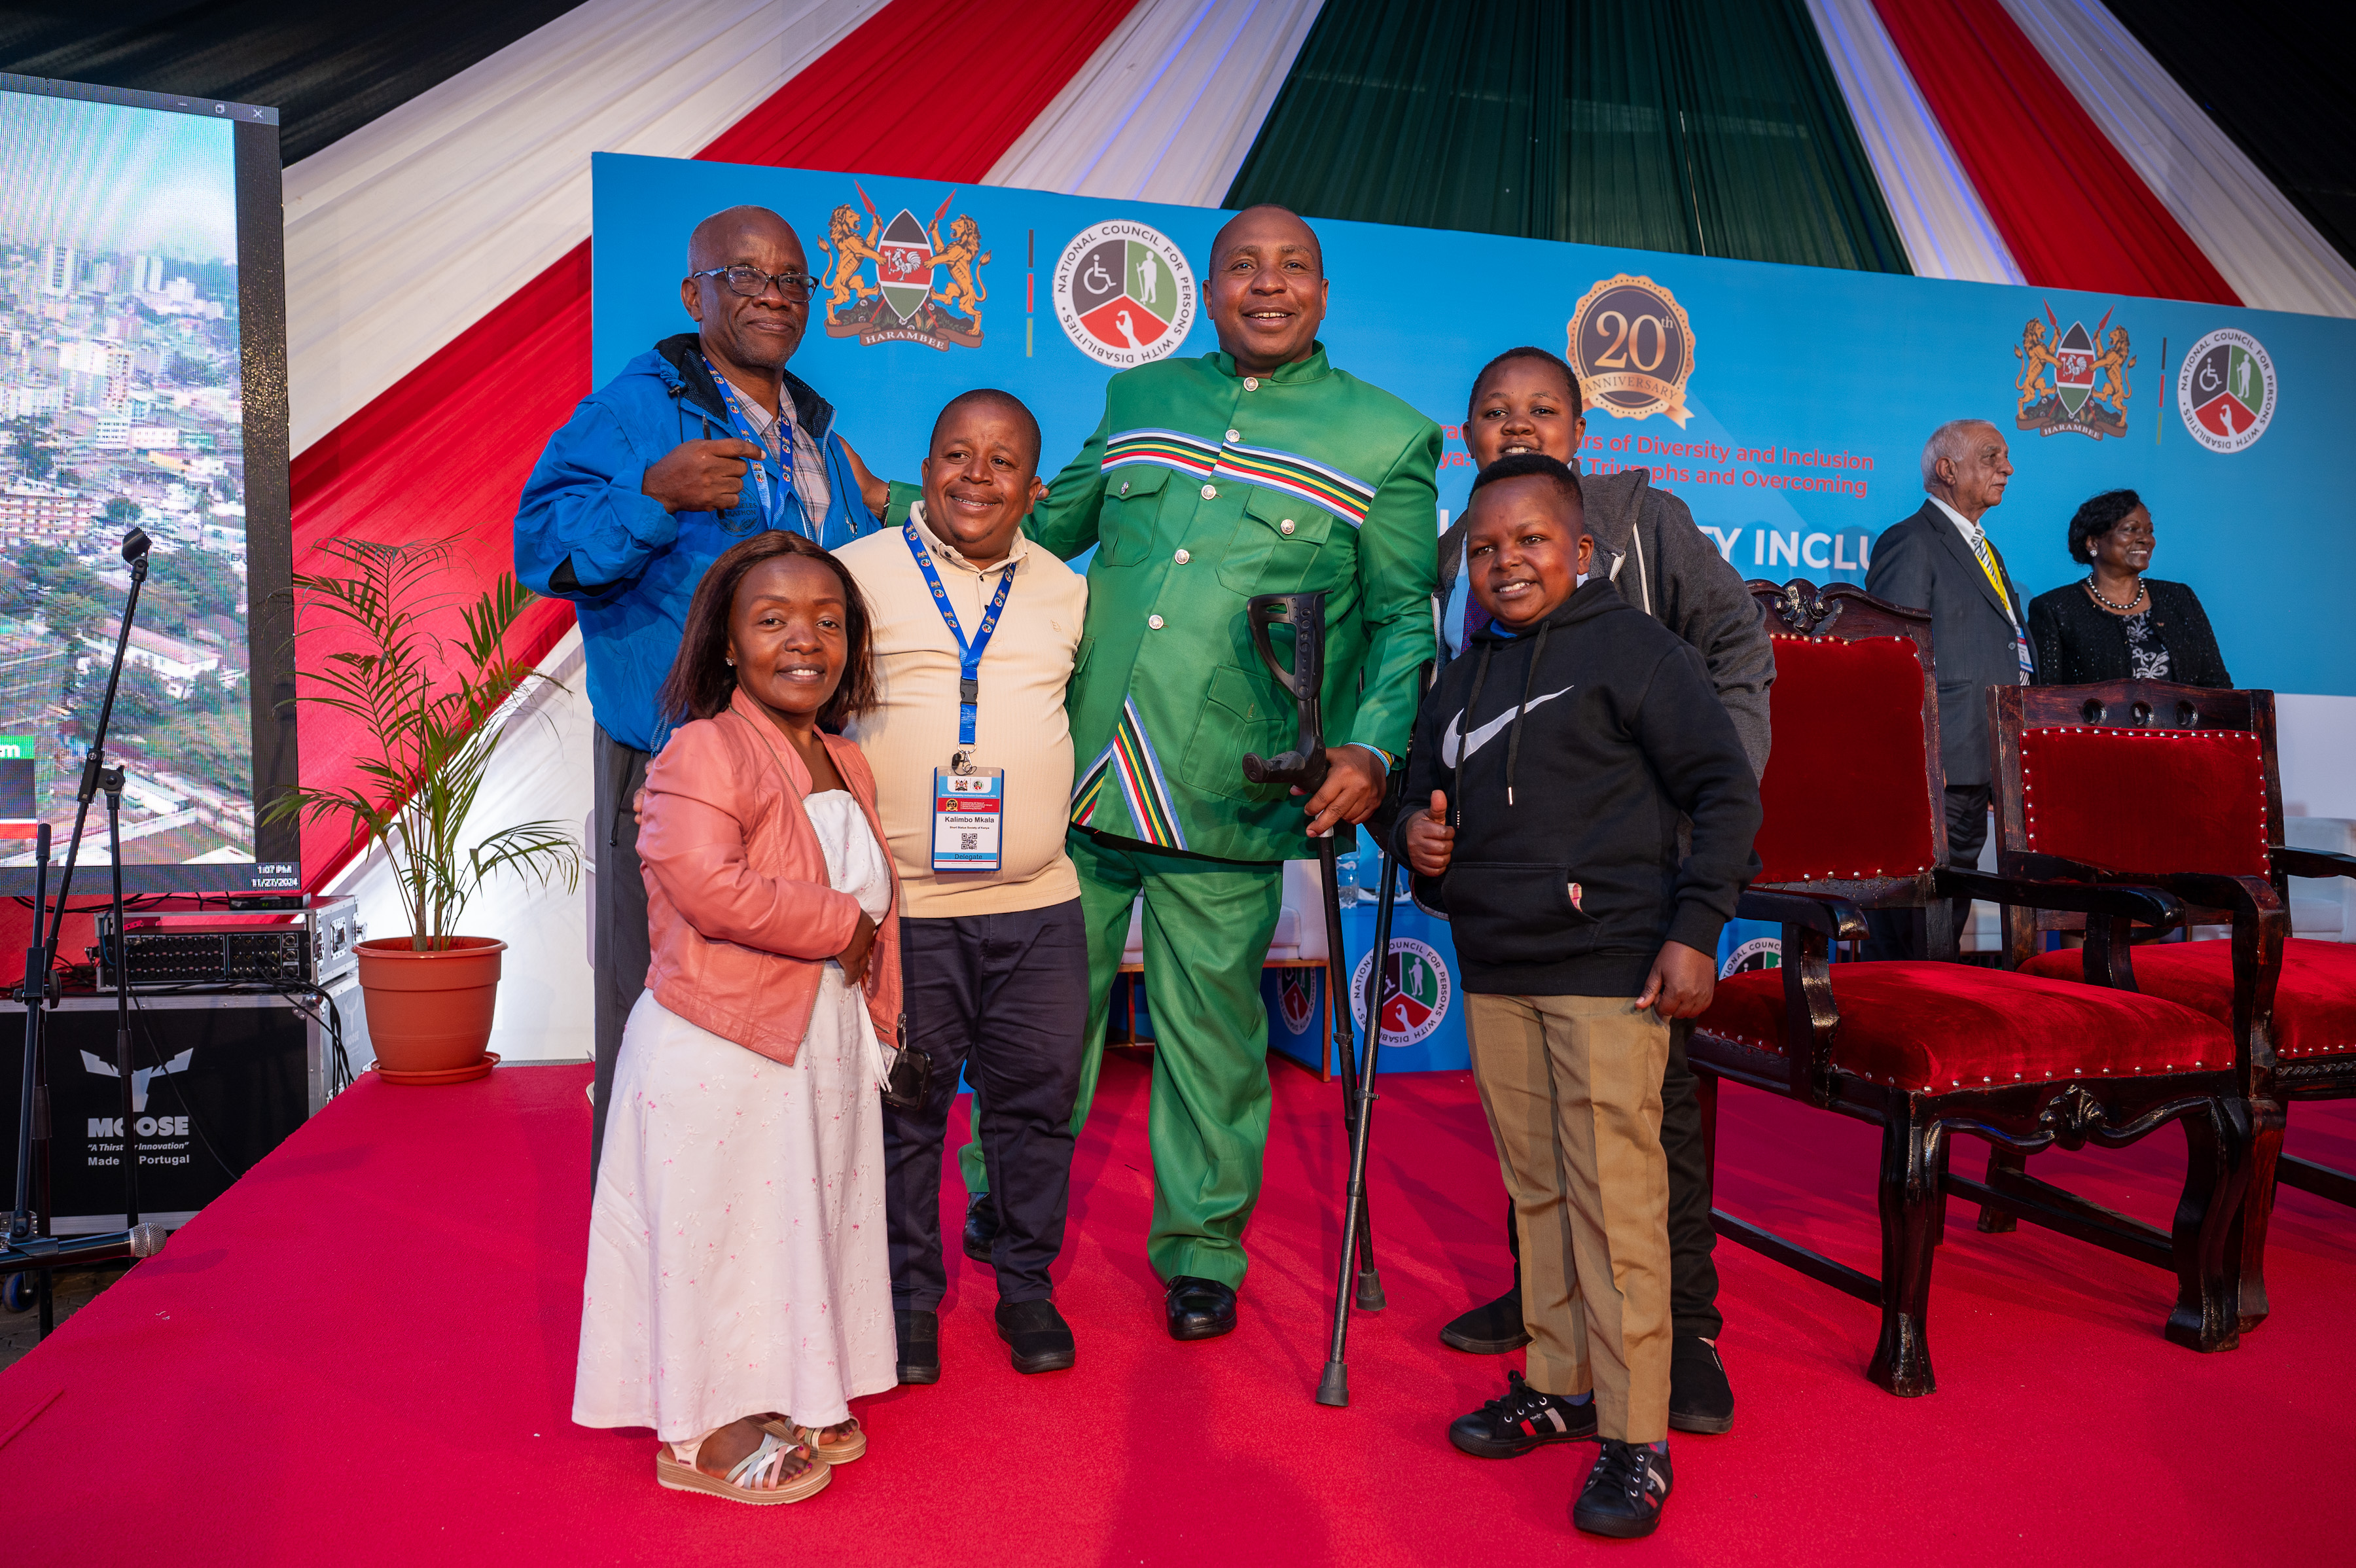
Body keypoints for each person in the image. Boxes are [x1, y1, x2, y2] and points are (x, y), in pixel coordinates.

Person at [927, 205, 1439, 1340]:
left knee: (1213, 1038)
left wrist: (1371, 746)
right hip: (1081, 775)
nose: (1269, 284)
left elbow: (1407, 618)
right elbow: (1043, 524)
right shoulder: (1141, 397)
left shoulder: (1387, 437)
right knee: (1037, 1024)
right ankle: (1006, 1198)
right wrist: (916, 509)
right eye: (1244, 266)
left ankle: (1203, 1249)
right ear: (1208, 292)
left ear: (1323, 292)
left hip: (1232, 789)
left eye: (1293, 267)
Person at [1402, 454, 1760, 1540]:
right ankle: (1561, 1385)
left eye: (1531, 540)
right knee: (1540, 1193)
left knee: (1616, 1201)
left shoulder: (1638, 650)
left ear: (1584, 551)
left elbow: (1724, 790)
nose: (1506, 562)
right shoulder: (1462, 675)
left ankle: (1638, 1432)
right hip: (1497, 968)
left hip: (1609, 968)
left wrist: (1696, 930)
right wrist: (1413, 839)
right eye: (1485, 547)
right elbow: (1423, 798)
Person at [514, 204, 890, 1178]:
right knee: (661, 1011)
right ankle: (647, 1230)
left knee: (779, 1008)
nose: (774, 295)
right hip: (675, 761)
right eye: (746, 276)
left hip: (799, 768)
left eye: (793, 280)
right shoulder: (635, 409)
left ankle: (763, 1223)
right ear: (695, 293)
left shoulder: (812, 429)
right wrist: (653, 494)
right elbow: (541, 550)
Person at [573, 530, 898, 1505]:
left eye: (828, 621)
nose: (805, 640)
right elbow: (707, 887)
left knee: (789, 1221)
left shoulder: (846, 757)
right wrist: (842, 923)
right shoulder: (701, 748)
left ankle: (795, 1387)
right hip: (721, 1041)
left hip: (816, 1037)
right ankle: (701, 1429)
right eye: (773, 619)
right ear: (726, 642)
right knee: (717, 1233)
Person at [834, 391, 1090, 1384]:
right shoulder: (856, 574)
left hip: (1039, 905)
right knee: (907, 1114)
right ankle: (907, 1300)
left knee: (1036, 1109)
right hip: (907, 911)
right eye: (956, 454)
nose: (976, 477)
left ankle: (1026, 1285)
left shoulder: (1067, 590)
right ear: (926, 463)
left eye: (1002, 462)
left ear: (1035, 487)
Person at [1864, 419, 2031, 957]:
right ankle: (1902, 997)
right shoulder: (1911, 541)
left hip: (1982, 752)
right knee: (1916, 910)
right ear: (1947, 469)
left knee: (1950, 903)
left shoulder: (1985, 548)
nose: (2007, 468)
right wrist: (1917, 759)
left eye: (2006, 457)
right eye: (1991, 457)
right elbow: (1896, 658)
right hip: (1937, 759)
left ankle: (1931, 988)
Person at [2028, 489, 2232, 686]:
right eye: (2131, 529)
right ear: (2093, 543)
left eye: (2149, 531)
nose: (2146, 539)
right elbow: (2045, 697)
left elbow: (2216, 685)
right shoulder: (2056, 610)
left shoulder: (2179, 598)